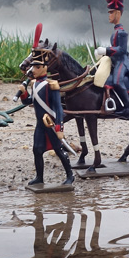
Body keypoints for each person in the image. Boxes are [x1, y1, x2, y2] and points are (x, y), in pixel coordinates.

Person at [20, 24, 74, 186]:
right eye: (33, 67)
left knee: (58, 150)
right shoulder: (34, 85)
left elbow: (58, 107)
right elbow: (29, 102)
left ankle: (70, 176)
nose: (33, 70)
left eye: (37, 67)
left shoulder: (52, 85)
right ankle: (40, 177)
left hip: (50, 124)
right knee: (37, 150)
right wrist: (23, 93)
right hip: (39, 125)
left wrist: (59, 127)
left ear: (44, 67)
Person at [94, 0, 129, 116]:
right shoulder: (115, 32)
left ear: (118, 13)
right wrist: (103, 54)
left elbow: (122, 50)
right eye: (109, 12)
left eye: (111, 12)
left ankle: (128, 107)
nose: (109, 15)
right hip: (114, 60)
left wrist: (106, 50)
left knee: (117, 81)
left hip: (122, 62)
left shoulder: (122, 33)